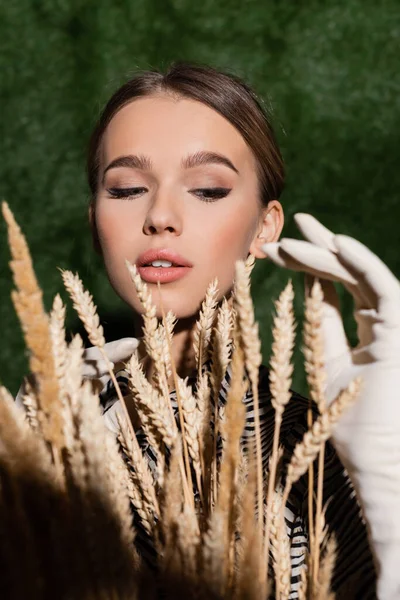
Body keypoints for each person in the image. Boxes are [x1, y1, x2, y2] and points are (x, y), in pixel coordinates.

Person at [16, 62, 399, 598]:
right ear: (94, 217)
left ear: (264, 227)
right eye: (126, 189)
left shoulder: (316, 448)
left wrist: (388, 491)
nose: (160, 216)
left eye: (208, 189)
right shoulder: (32, 440)